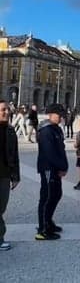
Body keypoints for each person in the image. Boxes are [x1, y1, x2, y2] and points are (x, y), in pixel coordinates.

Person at [36, 104, 69, 241]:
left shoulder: (56, 129)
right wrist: (61, 166)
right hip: (49, 168)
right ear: (50, 115)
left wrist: (64, 166)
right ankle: (43, 229)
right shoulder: (46, 131)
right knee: (47, 197)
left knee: (56, 194)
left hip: (56, 168)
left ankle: (48, 221)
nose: (61, 117)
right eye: (59, 115)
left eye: (62, 115)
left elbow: (61, 149)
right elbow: (50, 152)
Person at [0, 100, 21, 251]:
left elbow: (15, 155)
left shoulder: (10, 130)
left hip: (5, 174)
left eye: (7, 109)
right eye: (3, 110)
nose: (7, 112)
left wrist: (16, 176)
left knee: (1, 207)